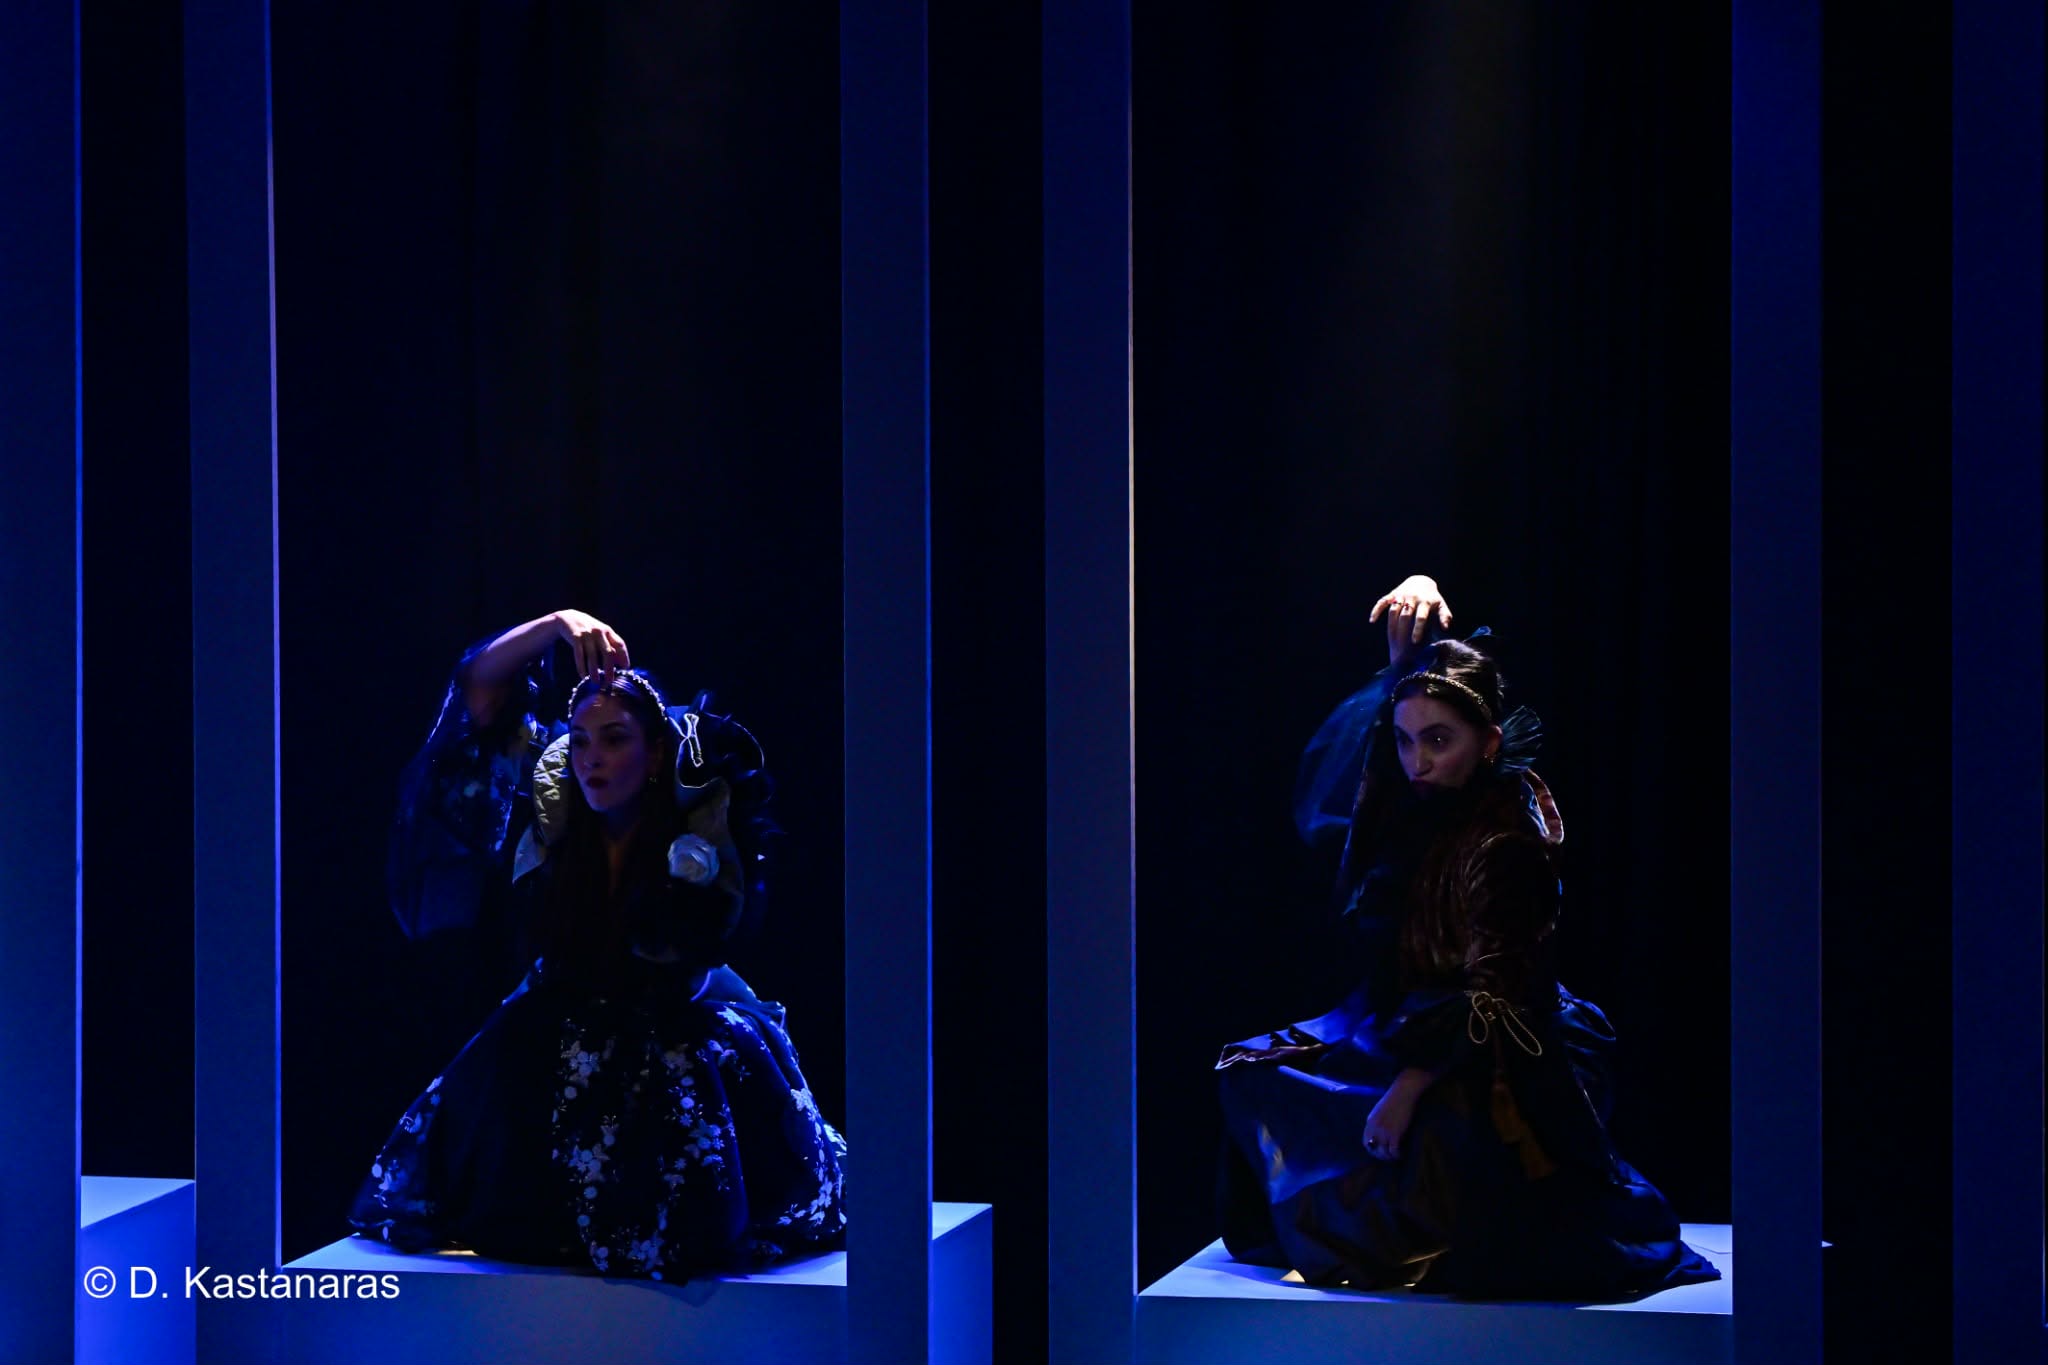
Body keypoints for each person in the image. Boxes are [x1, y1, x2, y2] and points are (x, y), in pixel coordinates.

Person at [1215, 574, 1717, 1298]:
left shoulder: (1507, 839)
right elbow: (1354, 791)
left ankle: (1404, 1241)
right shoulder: (1422, 808)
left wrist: (1408, 1088)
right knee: (1257, 1074)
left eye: (1439, 741)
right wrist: (1400, 662)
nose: (1417, 761)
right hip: (1419, 1024)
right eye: (1406, 740)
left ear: (1487, 743)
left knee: (1462, 1176)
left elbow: (1501, 997)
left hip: (1500, 1051)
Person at [350, 640, 846, 1279]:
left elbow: (694, 959)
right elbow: (478, 689)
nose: (591, 759)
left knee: (687, 1128)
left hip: (670, 1035)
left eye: (614, 740)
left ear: (655, 753)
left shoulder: (695, 841)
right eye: (580, 742)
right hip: (556, 1029)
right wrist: (554, 624)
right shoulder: (557, 828)